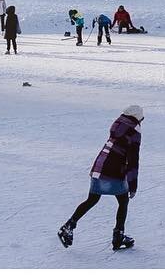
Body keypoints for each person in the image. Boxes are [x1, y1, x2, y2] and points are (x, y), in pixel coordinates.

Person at [58, 106, 143, 252]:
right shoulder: (134, 131)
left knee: (92, 199)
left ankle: (68, 226)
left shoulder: (118, 126)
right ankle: (118, 236)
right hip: (113, 170)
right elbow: (133, 160)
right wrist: (133, 184)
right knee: (123, 201)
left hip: (99, 166)